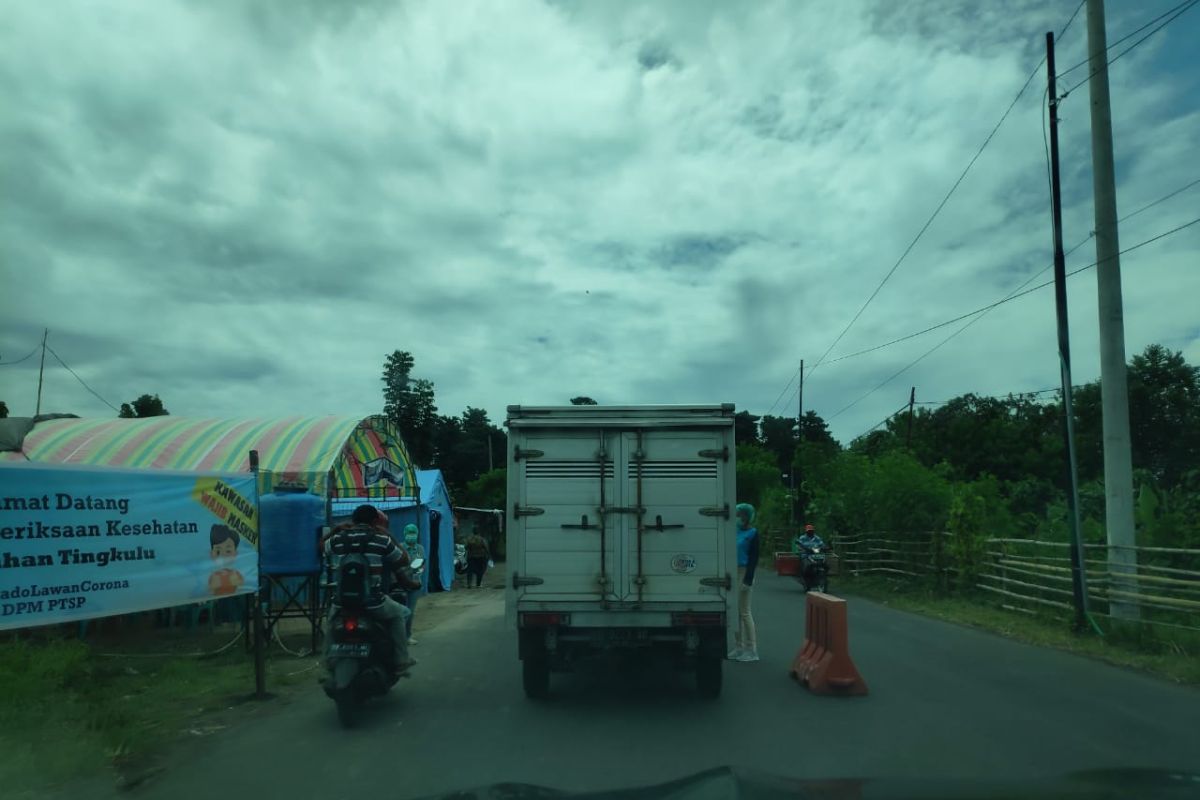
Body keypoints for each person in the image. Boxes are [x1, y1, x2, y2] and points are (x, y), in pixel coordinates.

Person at [324, 505, 419, 675]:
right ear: (376, 521)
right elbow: (403, 560)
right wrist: (388, 535)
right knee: (400, 614)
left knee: (330, 623)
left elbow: (320, 548)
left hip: (342, 602)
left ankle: (327, 662)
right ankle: (401, 660)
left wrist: (335, 530)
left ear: (353, 519)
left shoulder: (340, 537)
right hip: (373, 601)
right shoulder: (381, 539)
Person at [729, 502, 759, 663]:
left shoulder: (753, 533)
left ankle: (751, 648)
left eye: (740, 514)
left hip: (744, 571)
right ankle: (738, 646)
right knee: (735, 611)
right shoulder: (735, 531)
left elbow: (754, 558)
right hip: (732, 571)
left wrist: (748, 579)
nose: (738, 517)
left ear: (747, 516)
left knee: (744, 611)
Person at [400, 523, 425, 645]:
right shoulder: (400, 547)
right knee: (402, 610)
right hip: (402, 583)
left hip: (415, 583)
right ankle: (399, 636)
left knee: (410, 610)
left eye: (413, 533)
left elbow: (422, 563)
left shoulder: (420, 548)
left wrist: (419, 570)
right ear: (404, 534)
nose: (411, 536)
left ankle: (407, 636)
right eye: (409, 533)